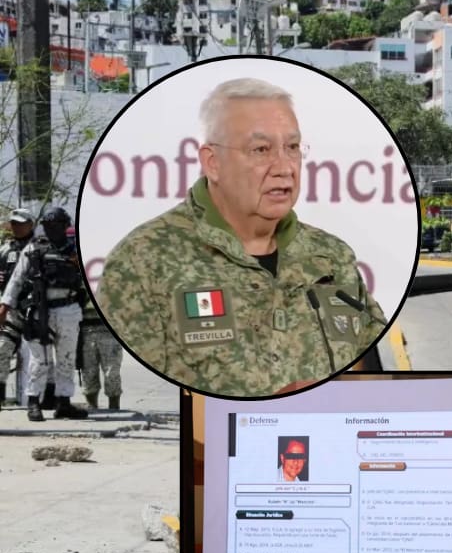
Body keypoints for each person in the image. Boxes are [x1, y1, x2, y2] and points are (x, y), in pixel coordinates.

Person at [96, 78, 387, 397]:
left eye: (292, 148)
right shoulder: (142, 262)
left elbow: (371, 372)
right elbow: (152, 397)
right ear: (213, 163)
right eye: (261, 150)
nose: (284, 167)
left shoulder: (332, 256)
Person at [0, 207, 89, 421]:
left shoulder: (76, 251)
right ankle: (33, 402)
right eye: (48, 226)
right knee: (39, 360)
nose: (52, 230)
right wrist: (5, 306)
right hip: (41, 310)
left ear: (65, 226)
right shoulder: (33, 248)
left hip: (68, 309)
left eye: (57, 225)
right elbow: (17, 280)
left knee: (66, 358)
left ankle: (64, 402)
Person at [0, 208, 35, 409]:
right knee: (2, 349)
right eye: (13, 223)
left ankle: (42, 400)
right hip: (11, 310)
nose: (16, 226)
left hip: (36, 310)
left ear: (31, 224)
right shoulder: (5, 250)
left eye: (21, 223)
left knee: (39, 357)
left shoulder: (41, 247)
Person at [78, 294, 123, 410]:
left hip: (109, 330)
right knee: (88, 371)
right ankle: (92, 406)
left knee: (112, 371)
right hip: (86, 330)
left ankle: (114, 406)